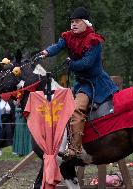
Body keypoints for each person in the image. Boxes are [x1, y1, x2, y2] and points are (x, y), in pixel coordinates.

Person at [38, 7, 118, 158]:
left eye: (77, 21)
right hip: (81, 82)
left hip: (94, 83)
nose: (73, 24)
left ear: (85, 23)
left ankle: (74, 148)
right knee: (63, 108)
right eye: (72, 22)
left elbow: (86, 64)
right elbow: (57, 46)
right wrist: (46, 52)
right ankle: (60, 143)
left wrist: (70, 63)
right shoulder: (68, 37)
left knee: (77, 110)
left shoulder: (94, 41)